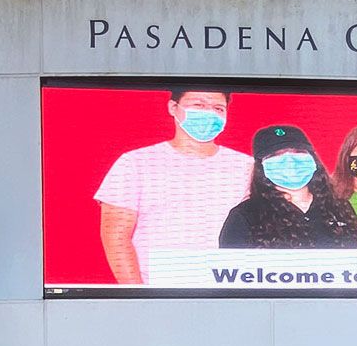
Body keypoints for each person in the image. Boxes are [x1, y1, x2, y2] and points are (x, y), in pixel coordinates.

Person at [94, 89, 253, 284]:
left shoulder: (247, 166)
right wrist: (136, 294)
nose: (208, 114)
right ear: (173, 107)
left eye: (218, 108)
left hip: (229, 286)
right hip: (158, 288)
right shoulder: (135, 162)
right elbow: (116, 236)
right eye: (198, 105)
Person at [219, 125, 357, 248]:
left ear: (313, 158)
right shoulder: (244, 216)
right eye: (276, 155)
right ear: (261, 167)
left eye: (298, 152)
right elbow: (229, 273)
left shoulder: (339, 207)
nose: (290, 161)